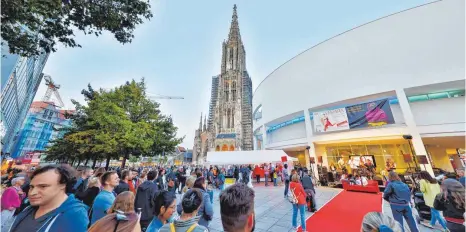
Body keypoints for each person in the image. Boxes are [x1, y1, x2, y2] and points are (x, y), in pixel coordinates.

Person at [8, 165, 89, 232]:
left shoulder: (74, 215)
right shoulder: (29, 208)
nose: (32, 193)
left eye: (43, 186)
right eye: (31, 187)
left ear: (63, 185)